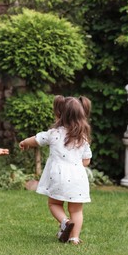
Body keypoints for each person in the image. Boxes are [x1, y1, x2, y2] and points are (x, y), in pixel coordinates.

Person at [19, 96, 92, 245]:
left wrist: (24, 143)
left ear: (60, 113)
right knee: (76, 211)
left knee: (55, 204)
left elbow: (36, 139)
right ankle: (74, 238)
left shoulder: (53, 134)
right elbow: (86, 161)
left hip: (58, 177)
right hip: (78, 178)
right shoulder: (83, 138)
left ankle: (65, 222)